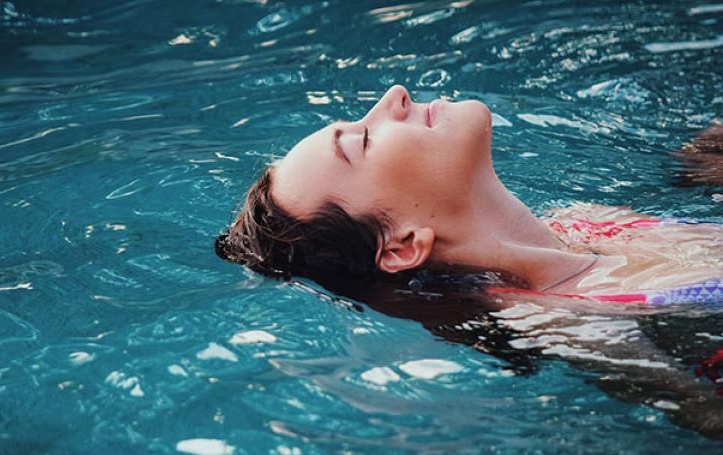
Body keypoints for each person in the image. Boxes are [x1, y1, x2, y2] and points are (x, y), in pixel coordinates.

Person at [216, 85, 723, 306]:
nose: (394, 96)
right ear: (400, 247)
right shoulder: (566, 318)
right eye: (364, 140)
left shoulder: (585, 220)